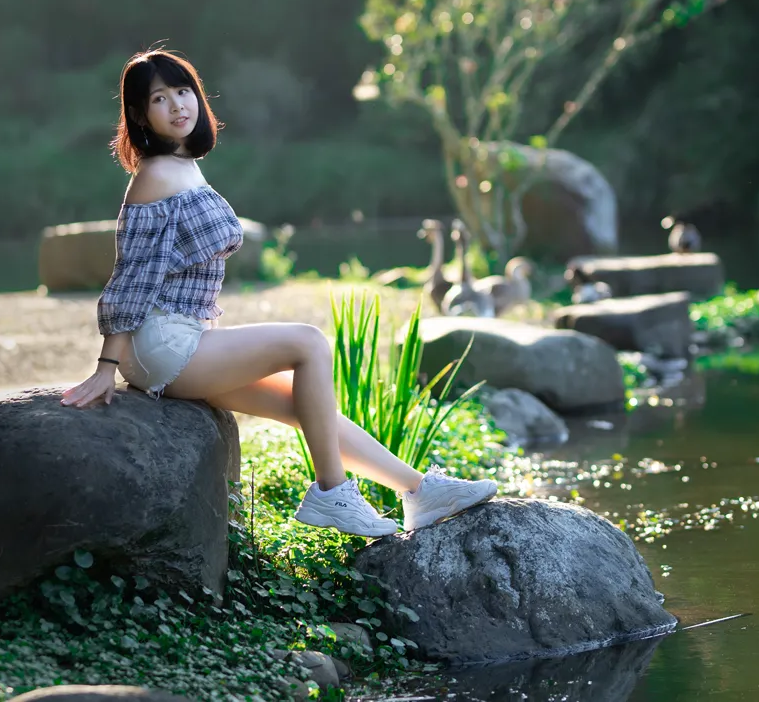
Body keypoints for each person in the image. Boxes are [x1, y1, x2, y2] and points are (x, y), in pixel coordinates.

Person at [61, 49, 497, 538]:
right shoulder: (156, 175)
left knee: (302, 404)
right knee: (307, 341)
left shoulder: (183, 166)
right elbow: (132, 276)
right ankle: (332, 493)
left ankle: (418, 491)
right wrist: (107, 367)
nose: (178, 105)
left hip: (179, 338)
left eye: (183, 91)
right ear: (141, 115)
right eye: (159, 98)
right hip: (161, 344)